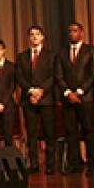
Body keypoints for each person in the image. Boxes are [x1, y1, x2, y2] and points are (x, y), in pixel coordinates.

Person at [55, 22, 94, 176]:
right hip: (68, 99)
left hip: (84, 98)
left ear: (81, 33)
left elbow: (93, 74)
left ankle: (92, 164)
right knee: (71, 131)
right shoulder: (62, 53)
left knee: (88, 131)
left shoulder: (90, 50)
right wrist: (68, 93)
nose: (72, 34)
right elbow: (58, 76)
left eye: (75, 31)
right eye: (69, 31)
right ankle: (75, 163)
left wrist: (79, 92)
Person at [16, 25, 57, 174]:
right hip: (28, 99)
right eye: (31, 34)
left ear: (42, 37)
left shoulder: (51, 55)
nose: (34, 37)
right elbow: (20, 76)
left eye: (37, 34)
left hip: (46, 99)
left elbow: (53, 76)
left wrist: (41, 91)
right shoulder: (22, 56)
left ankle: (51, 165)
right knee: (31, 134)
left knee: (49, 133)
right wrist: (31, 90)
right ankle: (33, 163)